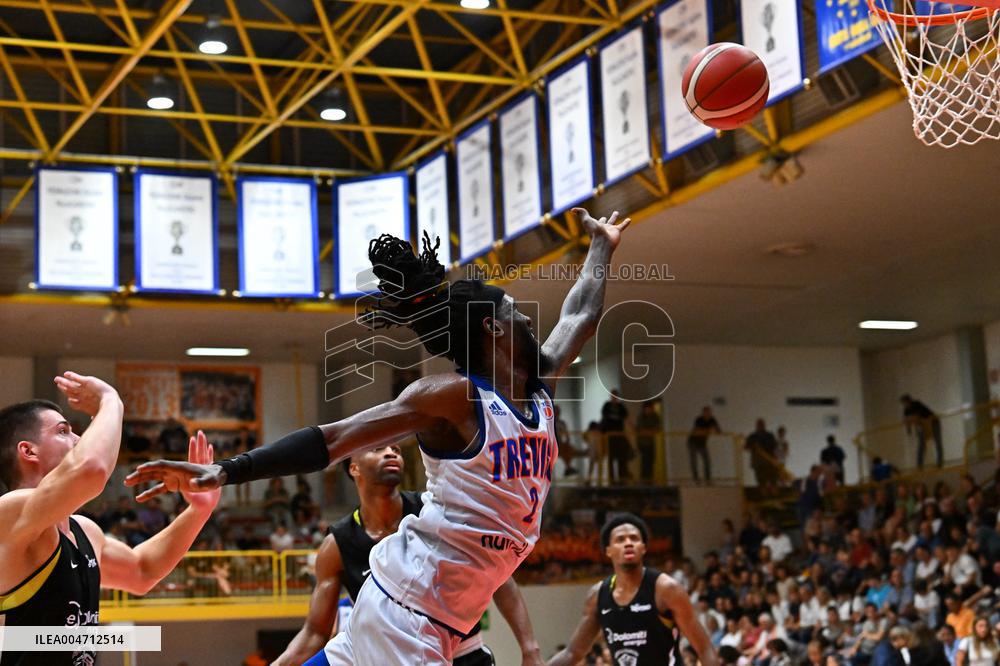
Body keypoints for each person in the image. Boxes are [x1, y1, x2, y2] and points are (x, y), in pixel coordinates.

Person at [125, 208, 632, 665]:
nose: (526, 318)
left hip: (438, 617)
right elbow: (335, 438)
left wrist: (600, 246)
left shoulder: (537, 384)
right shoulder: (455, 398)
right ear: (492, 330)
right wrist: (228, 469)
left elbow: (581, 316)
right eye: (514, 312)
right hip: (408, 617)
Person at [0, 374, 220, 666]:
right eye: (64, 431)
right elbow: (92, 470)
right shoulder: (9, 512)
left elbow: (143, 571)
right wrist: (110, 401)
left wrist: (198, 511)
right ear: (28, 450)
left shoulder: (84, 530)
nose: (78, 439)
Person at [274, 444, 541, 666]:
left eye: (396, 449)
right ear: (353, 467)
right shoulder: (338, 543)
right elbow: (315, 632)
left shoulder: (431, 511)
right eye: (378, 448)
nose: (391, 452)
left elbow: (500, 579)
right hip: (373, 651)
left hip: (457, 651)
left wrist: (530, 648)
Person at [547, 513, 719, 666]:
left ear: (643, 548)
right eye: (620, 539)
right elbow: (573, 653)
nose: (628, 543)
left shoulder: (666, 589)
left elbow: (704, 648)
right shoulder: (598, 596)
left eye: (634, 538)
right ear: (608, 550)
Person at [901, 395, 943, 469]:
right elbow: (906, 420)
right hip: (923, 426)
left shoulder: (916, 404)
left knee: (937, 442)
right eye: (903, 403)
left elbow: (916, 416)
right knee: (921, 445)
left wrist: (909, 420)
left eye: (904, 403)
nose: (904, 405)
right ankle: (919, 465)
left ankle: (939, 462)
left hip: (933, 422)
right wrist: (909, 430)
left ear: (908, 401)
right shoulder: (906, 410)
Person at [601, 390, 631, 483]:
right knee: (610, 458)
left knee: (621, 457)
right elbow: (605, 416)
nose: (614, 398)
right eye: (612, 396)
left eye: (615, 396)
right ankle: (612, 479)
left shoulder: (621, 407)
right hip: (610, 435)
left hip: (619, 434)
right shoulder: (607, 406)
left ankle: (622, 479)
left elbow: (625, 415)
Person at [745, 419, 781, 494]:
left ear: (764, 425)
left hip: (769, 461)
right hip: (759, 462)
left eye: (762, 424)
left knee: (773, 476)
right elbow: (746, 447)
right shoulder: (752, 436)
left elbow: (774, 446)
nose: (760, 426)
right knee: (761, 478)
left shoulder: (769, 435)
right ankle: (763, 490)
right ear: (756, 426)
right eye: (759, 425)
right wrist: (754, 447)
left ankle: (773, 489)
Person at [687, 406, 720, 485]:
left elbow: (718, 430)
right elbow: (698, 430)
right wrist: (709, 430)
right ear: (703, 413)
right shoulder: (699, 419)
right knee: (694, 461)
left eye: (709, 412)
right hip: (693, 442)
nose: (707, 414)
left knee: (707, 460)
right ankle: (696, 479)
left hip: (702, 443)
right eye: (706, 412)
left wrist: (714, 429)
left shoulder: (712, 419)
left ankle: (708, 479)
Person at [635, 400, 661, 483]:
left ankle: (650, 481)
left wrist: (649, 432)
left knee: (651, 461)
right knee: (645, 462)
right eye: (649, 408)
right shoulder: (641, 417)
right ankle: (644, 481)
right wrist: (649, 431)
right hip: (642, 443)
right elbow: (640, 430)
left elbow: (657, 429)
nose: (651, 410)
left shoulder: (655, 416)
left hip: (651, 443)